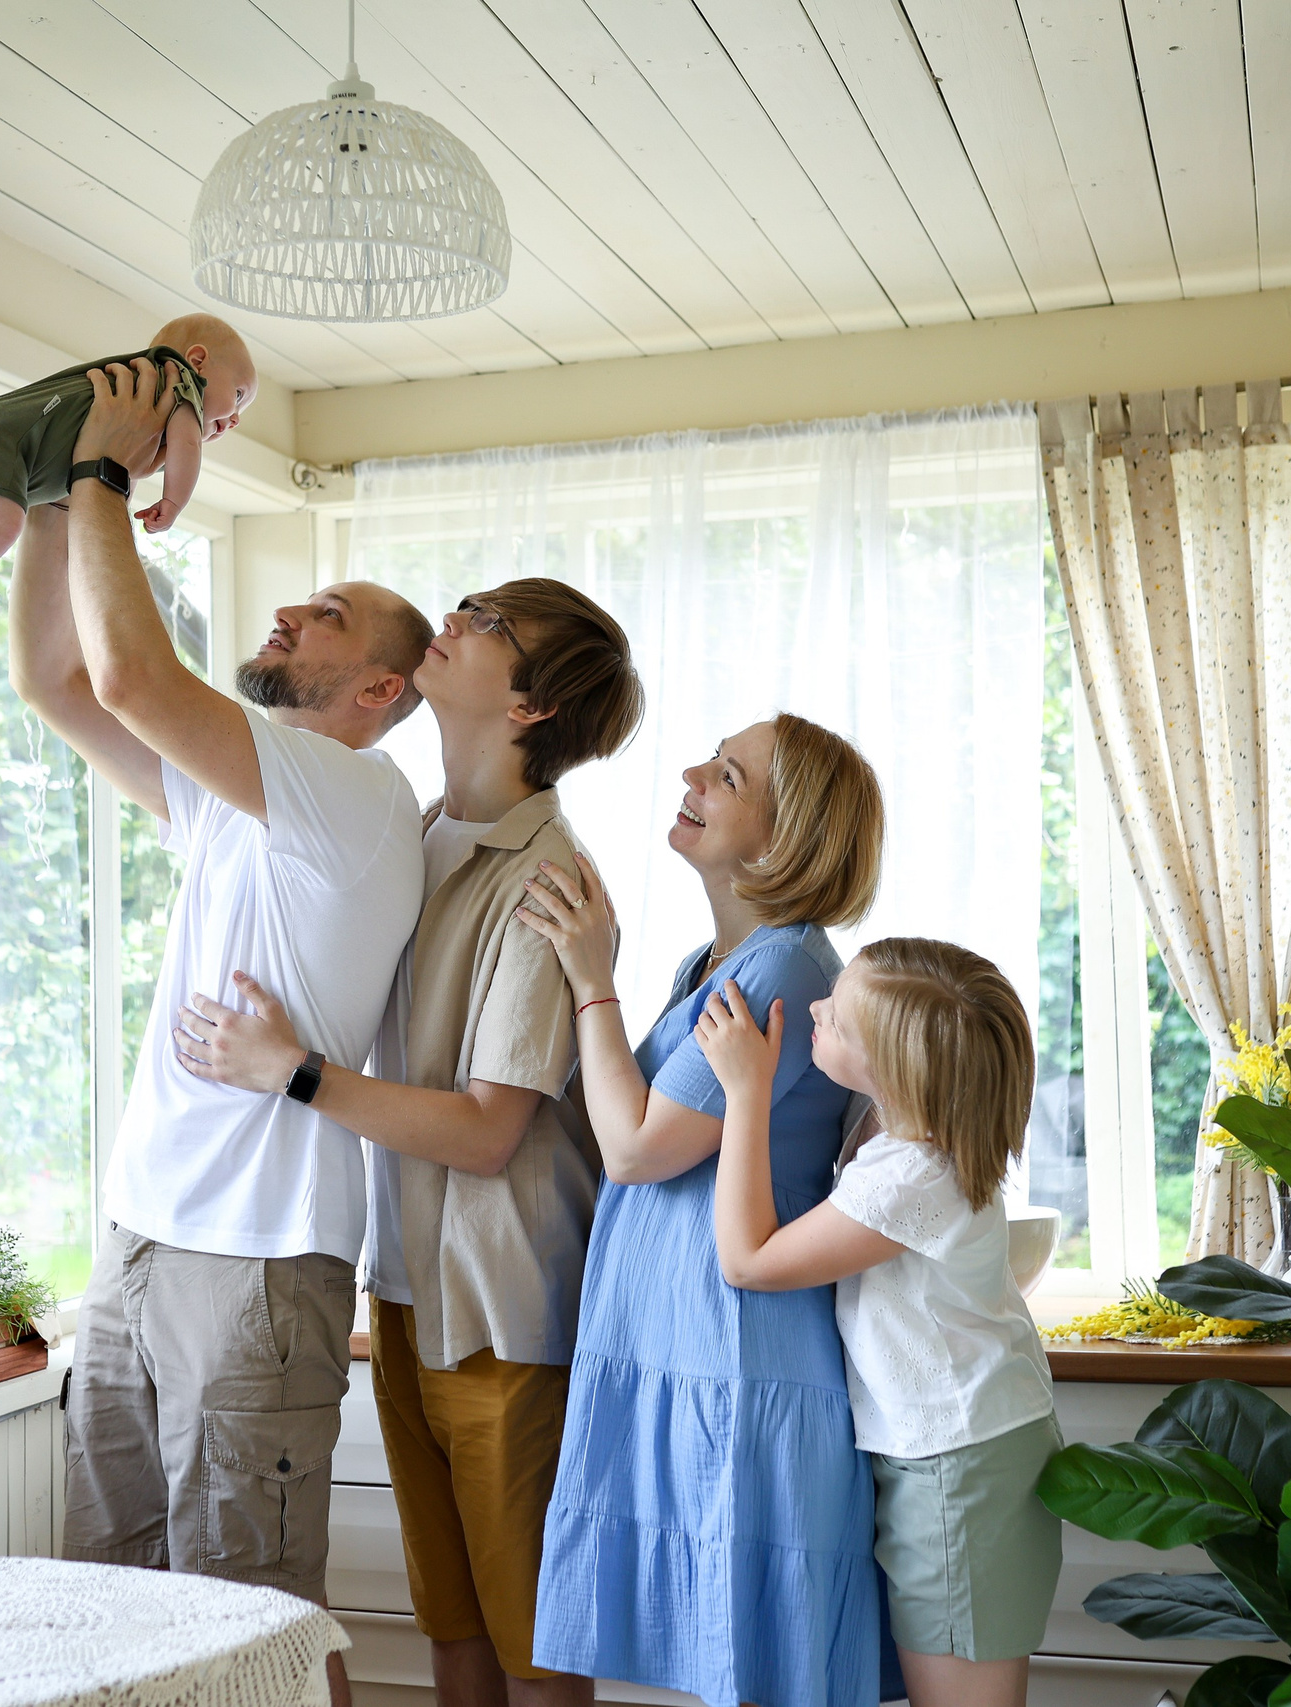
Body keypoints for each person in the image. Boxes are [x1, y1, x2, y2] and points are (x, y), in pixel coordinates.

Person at [10, 354, 427, 1707]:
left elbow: (134, 674)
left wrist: (101, 472)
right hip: (140, 1239)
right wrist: (38, 504)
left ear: (378, 692)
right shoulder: (242, 800)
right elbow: (61, 684)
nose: (294, 612)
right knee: (115, 1604)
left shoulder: (351, 797)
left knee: (244, 1630)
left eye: (331, 617)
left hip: (256, 1274)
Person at [171, 579, 646, 1707]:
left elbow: (488, 1133)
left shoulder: (546, 879)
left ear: (529, 708)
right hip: (406, 1292)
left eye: (493, 627)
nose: (460, 617)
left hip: (505, 1310)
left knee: (533, 1653)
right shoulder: (414, 829)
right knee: (452, 1633)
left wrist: (291, 1071)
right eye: (471, 602)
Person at [513, 714, 888, 1707]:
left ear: (783, 839)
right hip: (691, 1345)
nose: (690, 775)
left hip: (740, 1356)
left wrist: (590, 978)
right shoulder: (712, 967)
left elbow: (634, 1146)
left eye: (726, 775)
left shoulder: (781, 970)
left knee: (754, 1658)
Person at [699, 942, 1059, 1707]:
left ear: (897, 1074)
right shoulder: (920, 1139)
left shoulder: (910, 1178)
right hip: (965, 1452)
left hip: (957, 1468)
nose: (817, 1010)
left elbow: (747, 1258)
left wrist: (745, 1091)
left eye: (839, 1019)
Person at [0, 313, 256, 659]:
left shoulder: (142, 395)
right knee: (0, 527)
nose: (236, 418)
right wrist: (173, 502)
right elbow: (187, 448)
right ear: (198, 361)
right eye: (238, 395)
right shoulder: (180, 384)